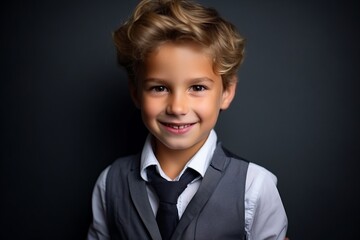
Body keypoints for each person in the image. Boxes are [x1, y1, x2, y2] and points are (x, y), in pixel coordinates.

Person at [87, 0, 288, 239]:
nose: (178, 107)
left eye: (198, 87)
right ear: (135, 93)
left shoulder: (255, 187)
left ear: (226, 92)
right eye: (159, 88)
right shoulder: (110, 183)